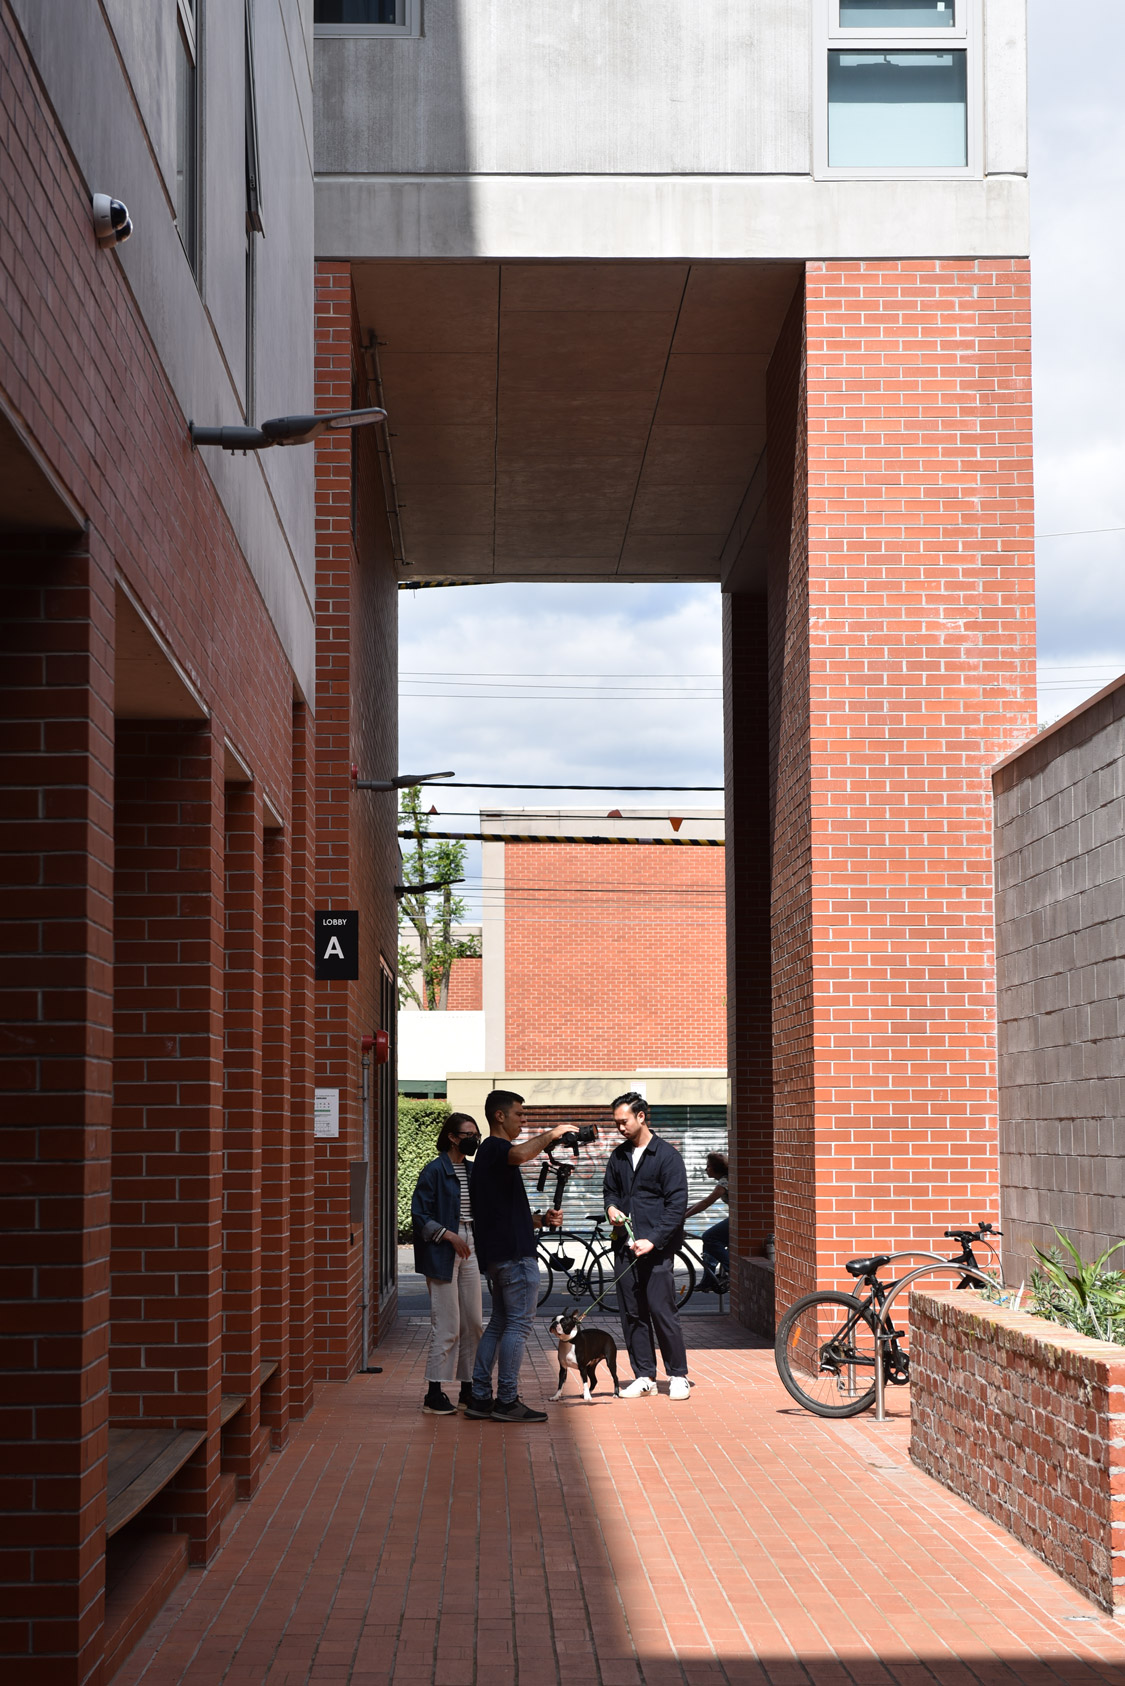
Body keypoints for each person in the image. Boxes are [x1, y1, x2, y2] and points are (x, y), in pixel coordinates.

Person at [465, 1089, 573, 1423]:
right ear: (500, 1116)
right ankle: (507, 1400)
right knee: (518, 1326)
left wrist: (539, 1220)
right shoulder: (497, 1149)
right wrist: (553, 1133)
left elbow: (501, 1212)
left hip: (499, 1254)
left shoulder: (490, 1156)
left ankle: (480, 1398)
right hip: (514, 1256)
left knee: (498, 1323)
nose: (523, 1120)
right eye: (519, 1114)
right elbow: (521, 1154)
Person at [603, 1091, 692, 1401]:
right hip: (624, 1248)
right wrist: (611, 1209)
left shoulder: (667, 1156)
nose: (620, 1128)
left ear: (641, 1116)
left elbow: (676, 1205)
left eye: (623, 1121)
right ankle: (644, 1376)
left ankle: (678, 1375)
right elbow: (610, 1193)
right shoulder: (618, 1157)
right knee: (632, 1313)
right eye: (616, 1123)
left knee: (661, 1310)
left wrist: (653, 1240)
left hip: (657, 1251)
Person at [411, 1112, 484, 1415]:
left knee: (474, 1323)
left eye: (475, 1133)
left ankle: (468, 1389)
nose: (474, 1139)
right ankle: (434, 1393)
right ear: (453, 1138)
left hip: (470, 1245)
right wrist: (449, 1236)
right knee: (448, 1325)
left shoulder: (472, 1170)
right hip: (442, 1251)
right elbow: (419, 1215)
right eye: (469, 1134)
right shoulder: (434, 1171)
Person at [685, 1151, 729, 1292]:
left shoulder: (724, 1182)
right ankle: (708, 1280)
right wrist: (683, 1212)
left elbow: (705, 1203)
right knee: (709, 1245)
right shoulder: (725, 1180)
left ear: (717, 1168)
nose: (706, 1169)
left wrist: (683, 1216)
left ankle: (733, 1269)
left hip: (741, 1220)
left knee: (709, 1237)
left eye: (709, 1166)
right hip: (738, 1218)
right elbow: (701, 1203)